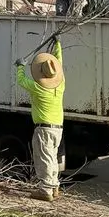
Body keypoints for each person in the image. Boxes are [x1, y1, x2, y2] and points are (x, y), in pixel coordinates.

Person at [15, 37, 65, 202]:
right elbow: (59, 63)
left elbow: (21, 80)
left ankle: (46, 190)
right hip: (58, 127)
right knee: (52, 156)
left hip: (44, 128)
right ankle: (54, 186)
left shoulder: (38, 88)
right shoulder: (60, 85)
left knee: (44, 158)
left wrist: (20, 66)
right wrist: (58, 45)